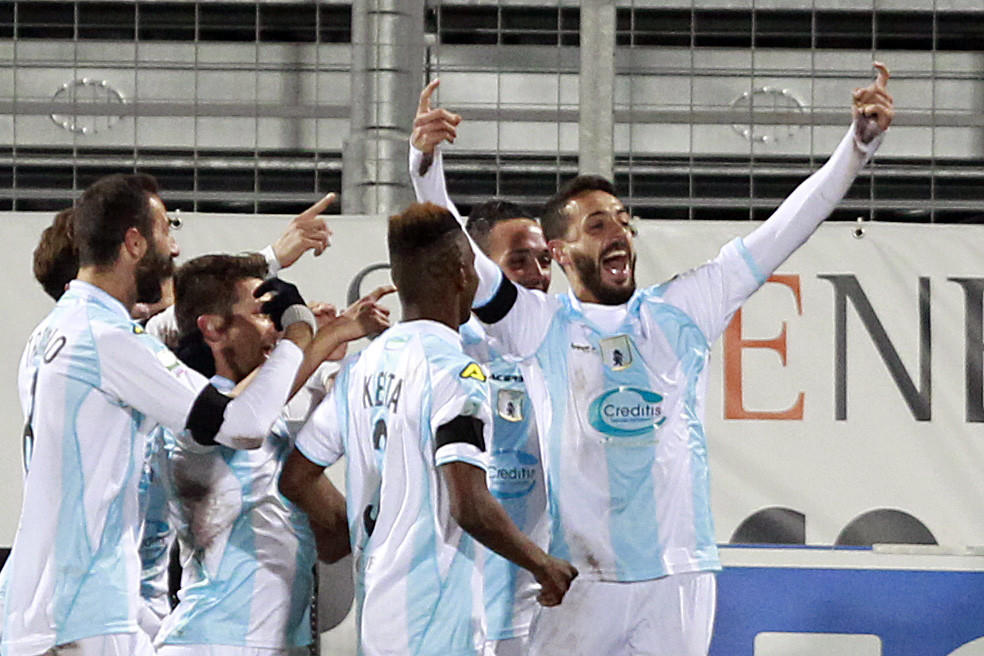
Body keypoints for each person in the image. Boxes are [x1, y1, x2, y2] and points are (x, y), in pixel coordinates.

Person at [409, 65, 894, 655]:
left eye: (622, 220)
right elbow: (462, 255)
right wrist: (425, 169)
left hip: (679, 577)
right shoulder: (539, 324)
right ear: (560, 252)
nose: (618, 232)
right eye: (597, 225)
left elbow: (785, 230)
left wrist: (857, 148)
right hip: (584, 579)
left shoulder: (684, 309)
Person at [2, 173, 318, 656]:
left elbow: (178, 316)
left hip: (46, 602)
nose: (174, 248)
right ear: (134, 243)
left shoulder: (53, 332)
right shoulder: (108, 339)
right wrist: (299, 334)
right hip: (81, 609)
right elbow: (242, 425)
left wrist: (266, 261)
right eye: (166, 230)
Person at [279, 202, 577, 656]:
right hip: (437, 620)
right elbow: (469, 504)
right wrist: (543, 564)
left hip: (377, 619)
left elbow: (297, 477)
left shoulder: (361, 367)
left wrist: (352, 533)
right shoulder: (456, 372)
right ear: (462, 273)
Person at [152, 253, 390, 656]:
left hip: (267, 643)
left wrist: (325, 342)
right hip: (215, 643)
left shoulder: (265, 416)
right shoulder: (192, 413)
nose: (276, 328)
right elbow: (238, 416)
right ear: (213, 328)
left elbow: (273, 398)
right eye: (262, 315)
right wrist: (312, 334)